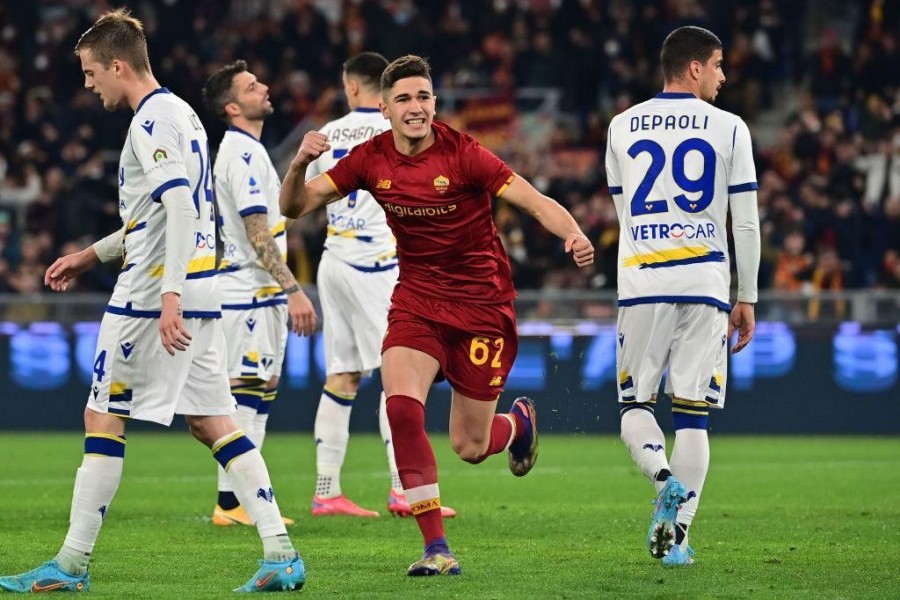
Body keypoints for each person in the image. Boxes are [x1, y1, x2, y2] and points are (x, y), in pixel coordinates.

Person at [0, 10, 304, 593]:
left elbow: (183, 211)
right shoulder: (183, 113)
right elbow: (157, 212)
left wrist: (167, 298)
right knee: (214, 420)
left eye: (91, 72)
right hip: (204, 287)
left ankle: (70, 564)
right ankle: (281, 553)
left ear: (119, 66)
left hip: (152, 292)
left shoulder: (150, 122)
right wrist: (92, 253)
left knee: (101, 417)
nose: (89, 84)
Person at [280, 54, 594, 576]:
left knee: (470, 446)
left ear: (434, 102)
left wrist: (574, 233)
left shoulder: (464, 153)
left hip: (481, 307)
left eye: (423, 97)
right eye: (404, 98)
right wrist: (295, 164)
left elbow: (533, 200)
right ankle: (435, 549)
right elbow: (296, 206)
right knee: (401, 408)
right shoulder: (369, 157)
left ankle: (516, 426)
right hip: (417, 300)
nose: (416, 107)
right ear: (383, 108)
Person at [605, 25, 760, 566]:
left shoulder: (621, 125)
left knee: (634, 406)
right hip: (706, 284)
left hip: (644, 282)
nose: (722, 75)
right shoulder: (731, 128)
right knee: (693, 416)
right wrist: (749, 295)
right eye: (718, 64)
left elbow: (625, 213)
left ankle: (662, 477)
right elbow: (745, 224)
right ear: (693, 67)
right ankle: (680, 540)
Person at [304, 51, 455, 519]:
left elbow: (308, 196)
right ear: (386, 91)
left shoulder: (326, 134)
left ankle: (327, 491)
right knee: (400, 380)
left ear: (351, 87)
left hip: (334, 260)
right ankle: (404, 491)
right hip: (377, 265)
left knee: (343, 377)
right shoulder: (397, 131)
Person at [201, 60, 317, 528]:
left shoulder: (249, 149)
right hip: (249, 292)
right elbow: (257, 234)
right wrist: (295, 290)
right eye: (251, 87)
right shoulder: (241, 155)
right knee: (245, 397)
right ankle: (232, 504)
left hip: (257, 293)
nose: (264, 88)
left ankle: (238, 501)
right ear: (233, 107)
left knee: (260, 395)